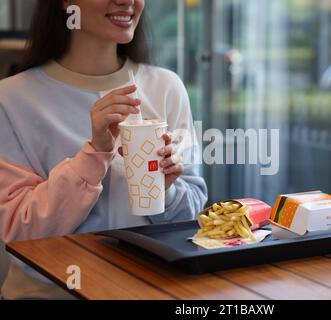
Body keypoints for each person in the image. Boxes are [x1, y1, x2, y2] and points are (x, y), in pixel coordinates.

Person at [0, 0, 207, 299]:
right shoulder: (11, 100)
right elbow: (19, 232)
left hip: (150, 292)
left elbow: (191, 221)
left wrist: (166, 191)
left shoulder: (166, 87)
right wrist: (95, 154)